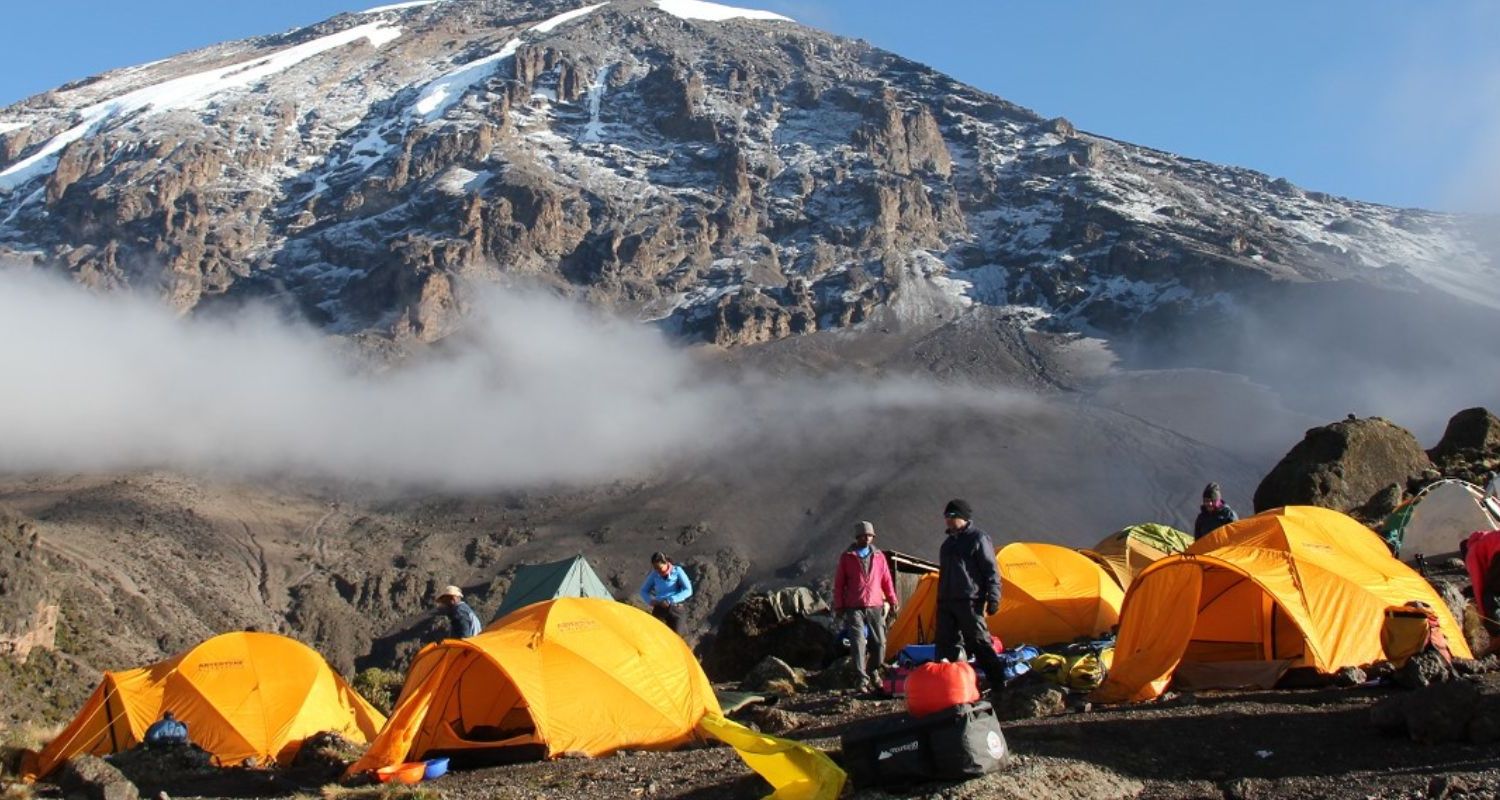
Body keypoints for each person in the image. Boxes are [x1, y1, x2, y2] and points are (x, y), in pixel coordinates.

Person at [935, 499, 1007, 699]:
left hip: (970, 599)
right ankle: (948, 689)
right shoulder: (947, 545)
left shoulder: (978, 539)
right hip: (946, 601)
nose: (948, 521)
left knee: (978, 642)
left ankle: (998, 683)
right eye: (946, 517)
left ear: (963, 517)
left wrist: (993, 597)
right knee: (944, 645)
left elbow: (991, 570)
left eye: (952, 516)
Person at [833, 521, 900, 691]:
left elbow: (886, 580)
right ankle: (861, 679)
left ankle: (873, 671)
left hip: (875, 605)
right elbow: (839, 583)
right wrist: (839, 605)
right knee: (858, 642)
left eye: (869, 535)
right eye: (864, 535)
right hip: (854, 606)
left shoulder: (879, 557)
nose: (867, 538)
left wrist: (893, 600)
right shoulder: (847, 557)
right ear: (857, 537)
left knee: (879, 643)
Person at [640, 552, 693, 633]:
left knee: (677, 636)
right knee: (656, 634)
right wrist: (650, 601)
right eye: (655, 568)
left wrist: (670, 600)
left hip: (676, 609)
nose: (658, 570)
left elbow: (688, 590)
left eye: (659, 567)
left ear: (666, 563)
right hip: (659, 609)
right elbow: (643, 590)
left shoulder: (677, 571)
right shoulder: (654, 575)